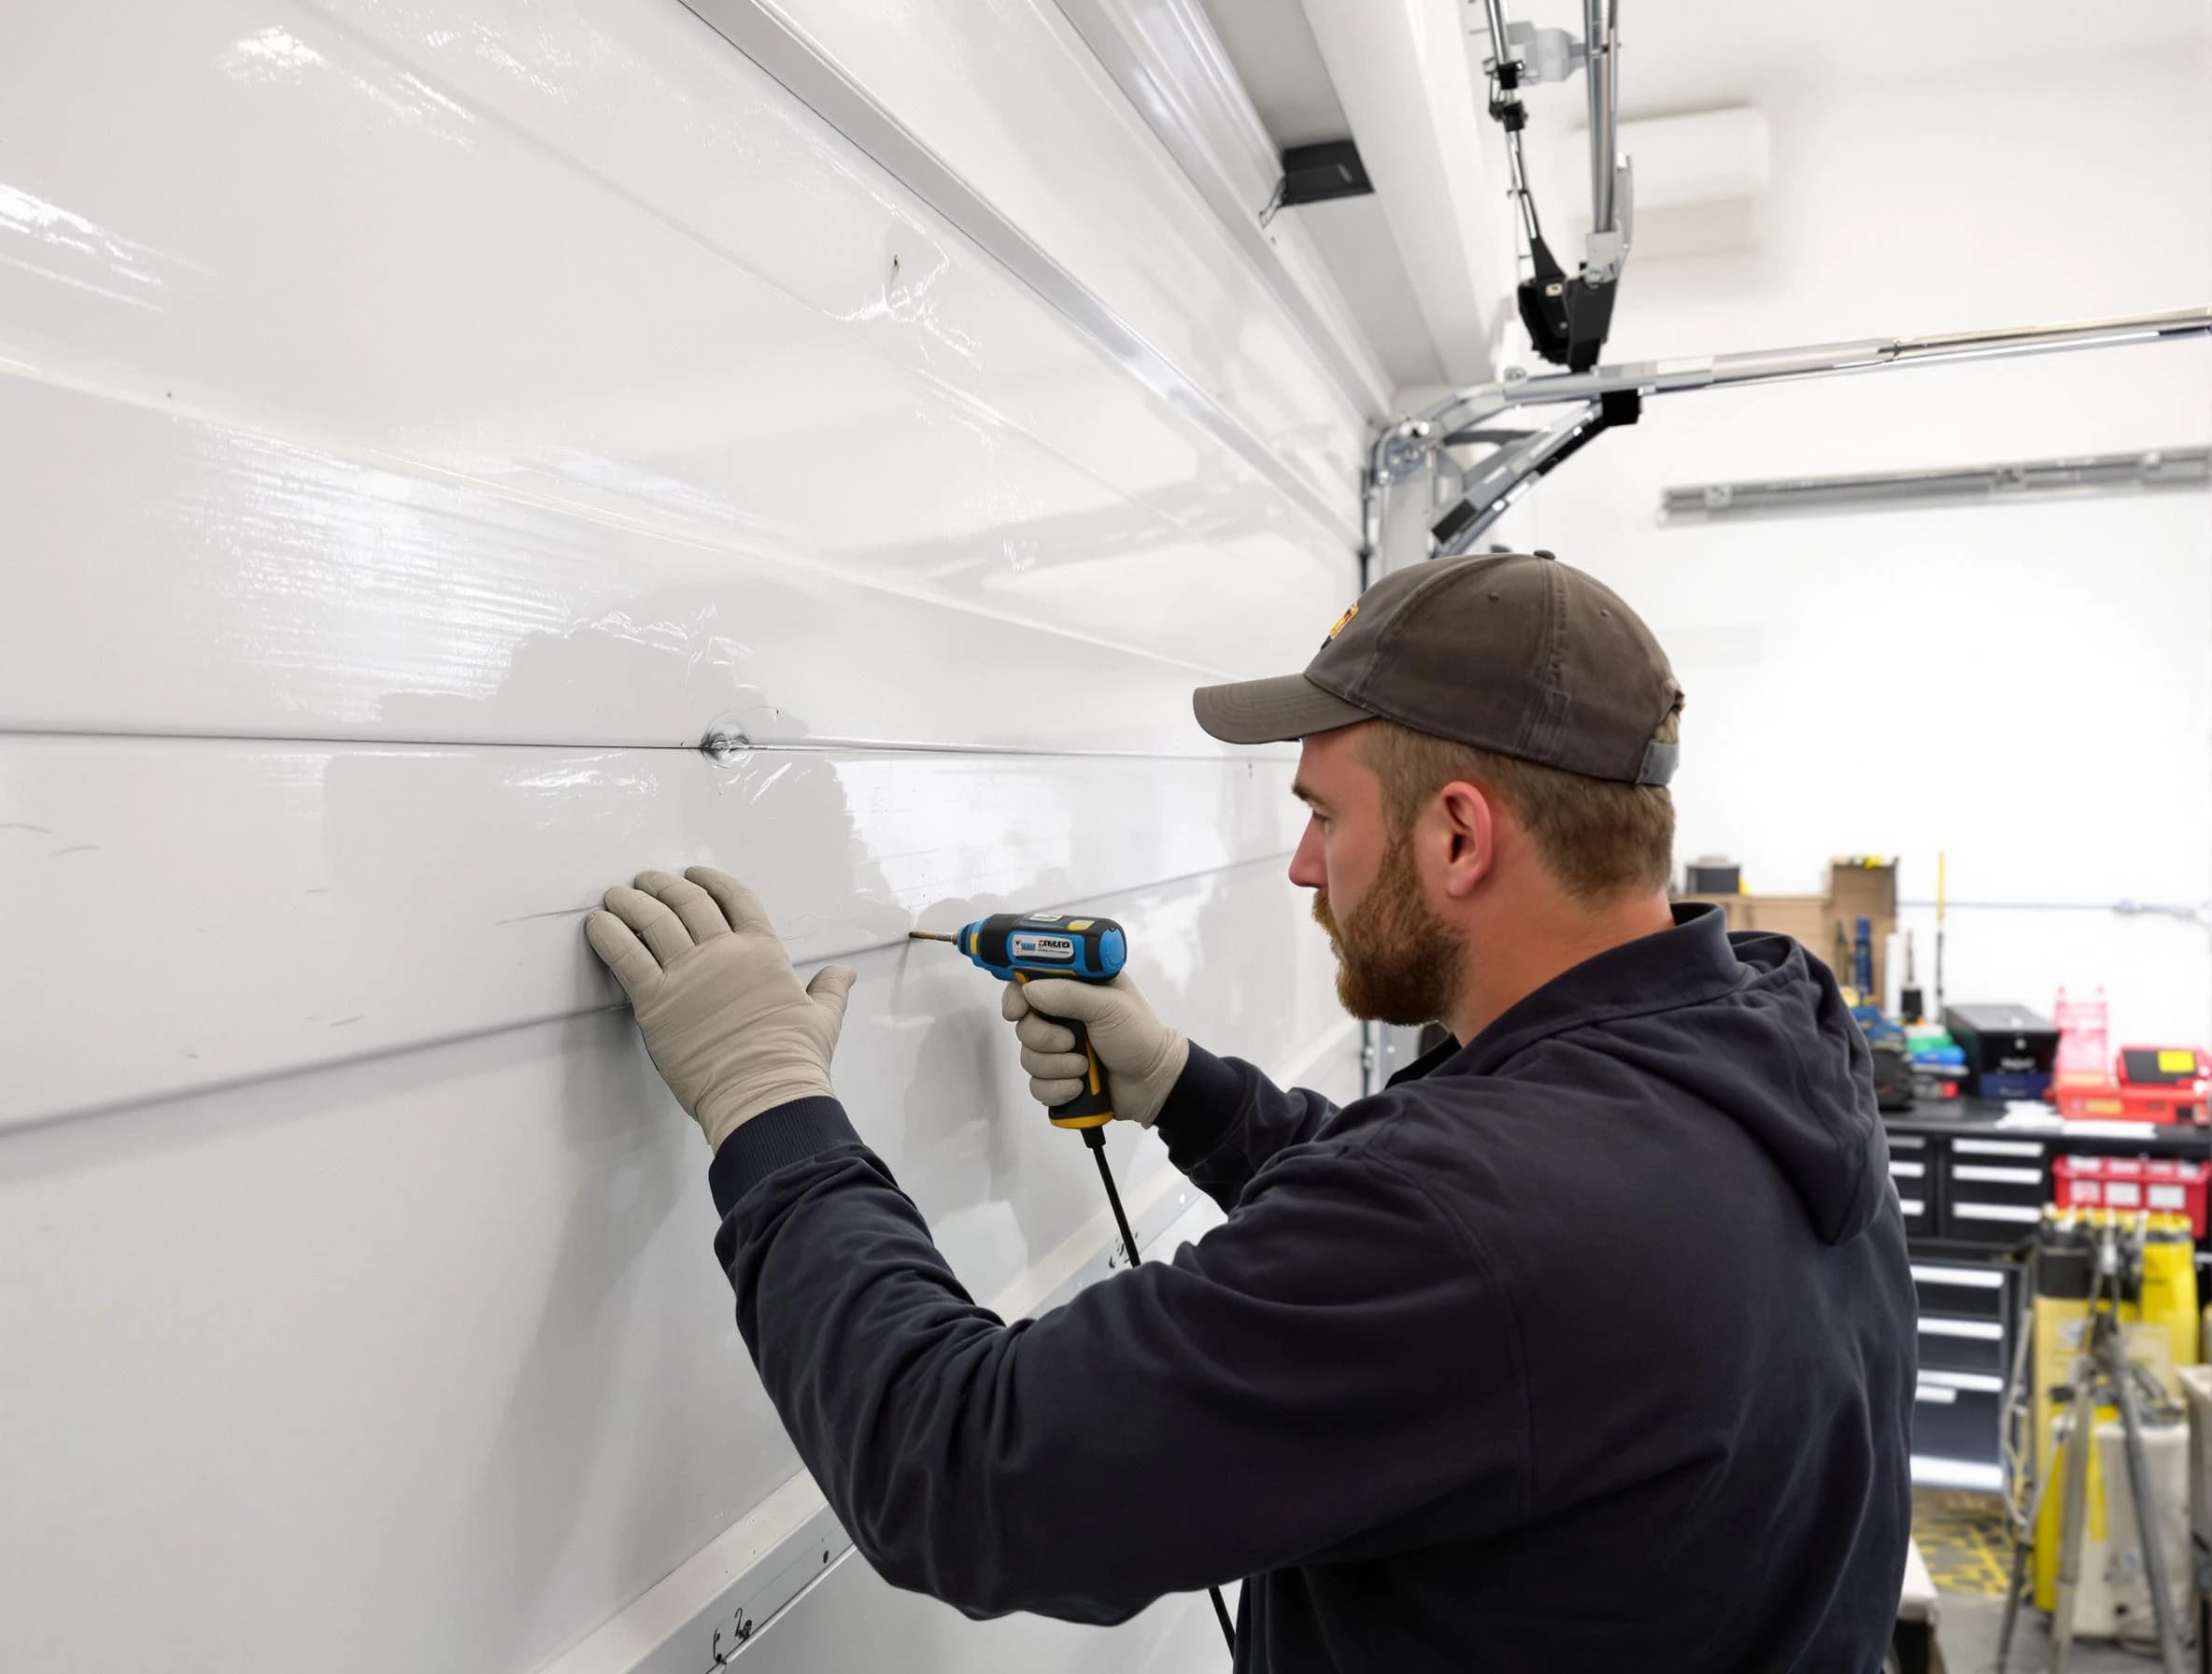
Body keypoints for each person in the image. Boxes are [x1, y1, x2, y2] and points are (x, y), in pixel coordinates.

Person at [583, 551, 1916, 1672]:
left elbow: (970, 1471)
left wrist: (772, 1111)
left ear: (1460, 836)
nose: (1297, 866)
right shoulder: (1762, 1036)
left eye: (1324, 815)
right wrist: (1185, 1088)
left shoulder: (1487, 1221)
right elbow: (1484, 1267)